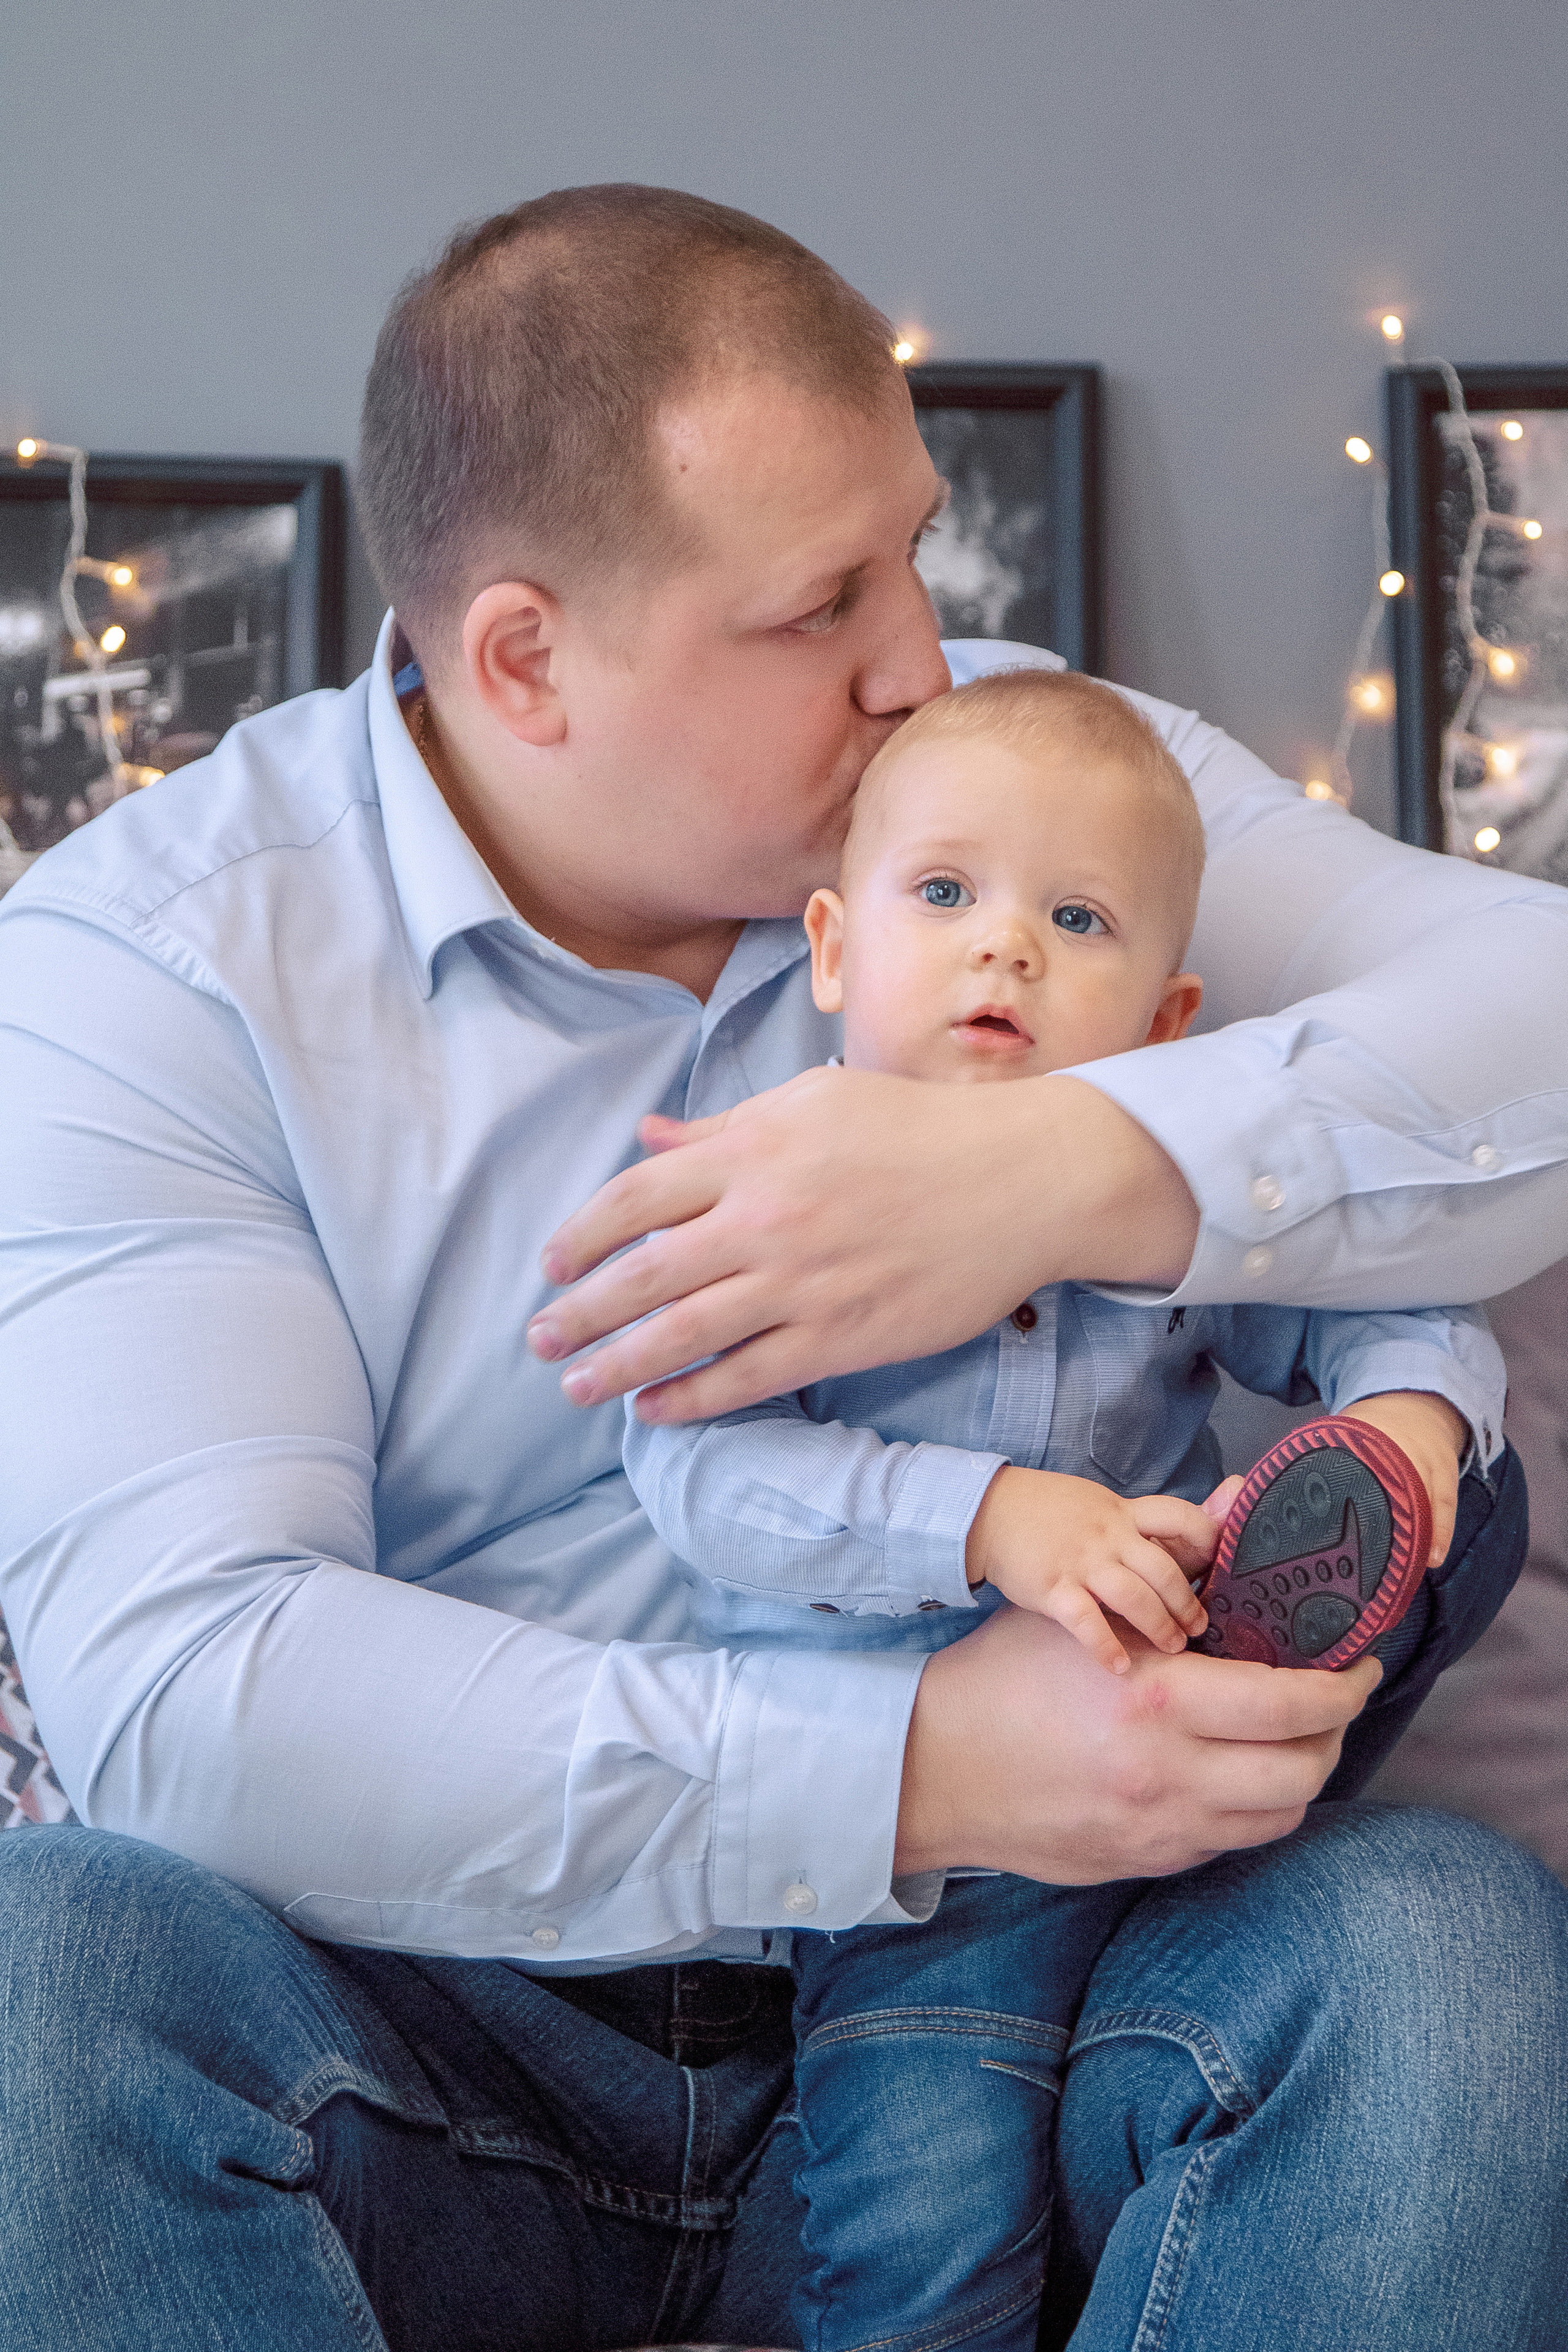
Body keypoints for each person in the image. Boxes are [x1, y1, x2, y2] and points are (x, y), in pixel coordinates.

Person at [0, 185, 1564, 2351]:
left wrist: (1062, 1171)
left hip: (1063, 1974)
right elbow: (191, 1696)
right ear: (527, 656)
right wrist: (922, 1763)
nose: (924, 654)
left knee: (1442, 1954)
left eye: (916, 547)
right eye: (826, 598)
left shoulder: (1006, 790)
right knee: (39, 1972)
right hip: (433, 2032)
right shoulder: (144, 974)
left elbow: (1539, 995)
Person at [621, 664, 1509, 2351]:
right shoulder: (762, 1190)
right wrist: (993, 1518)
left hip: (1175, 1787)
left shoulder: (1152, 1220)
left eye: (1077, 918)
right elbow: (706, 1479)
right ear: (831, 949)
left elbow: (1384, 1293)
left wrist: (1412, 1421)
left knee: (1461, 1501)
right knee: (927, 2238)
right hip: (929, 1858)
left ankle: (1318, 1568)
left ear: (1169, 1024)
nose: (1006, 947)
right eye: (945, 894)